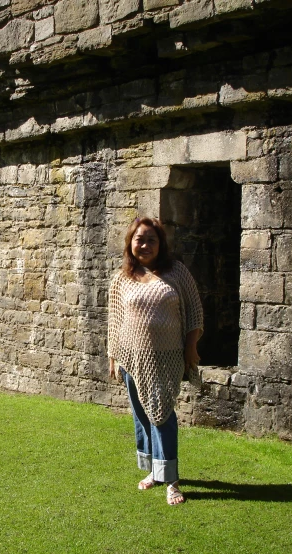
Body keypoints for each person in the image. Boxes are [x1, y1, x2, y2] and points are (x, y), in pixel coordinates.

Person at [107, 217, 203, 506]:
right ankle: (154, 470)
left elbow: (195, 314)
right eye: (140, 239)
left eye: (151, 239)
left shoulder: (176, 273)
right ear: (130, 243)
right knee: (141, 415)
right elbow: (114, 320)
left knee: (161, 414)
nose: (145, 245)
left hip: (165, 358)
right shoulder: (122, 277)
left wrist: (190, 348)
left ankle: (171, 481)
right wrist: (114, 355)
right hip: (130, 358)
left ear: (160, 244)